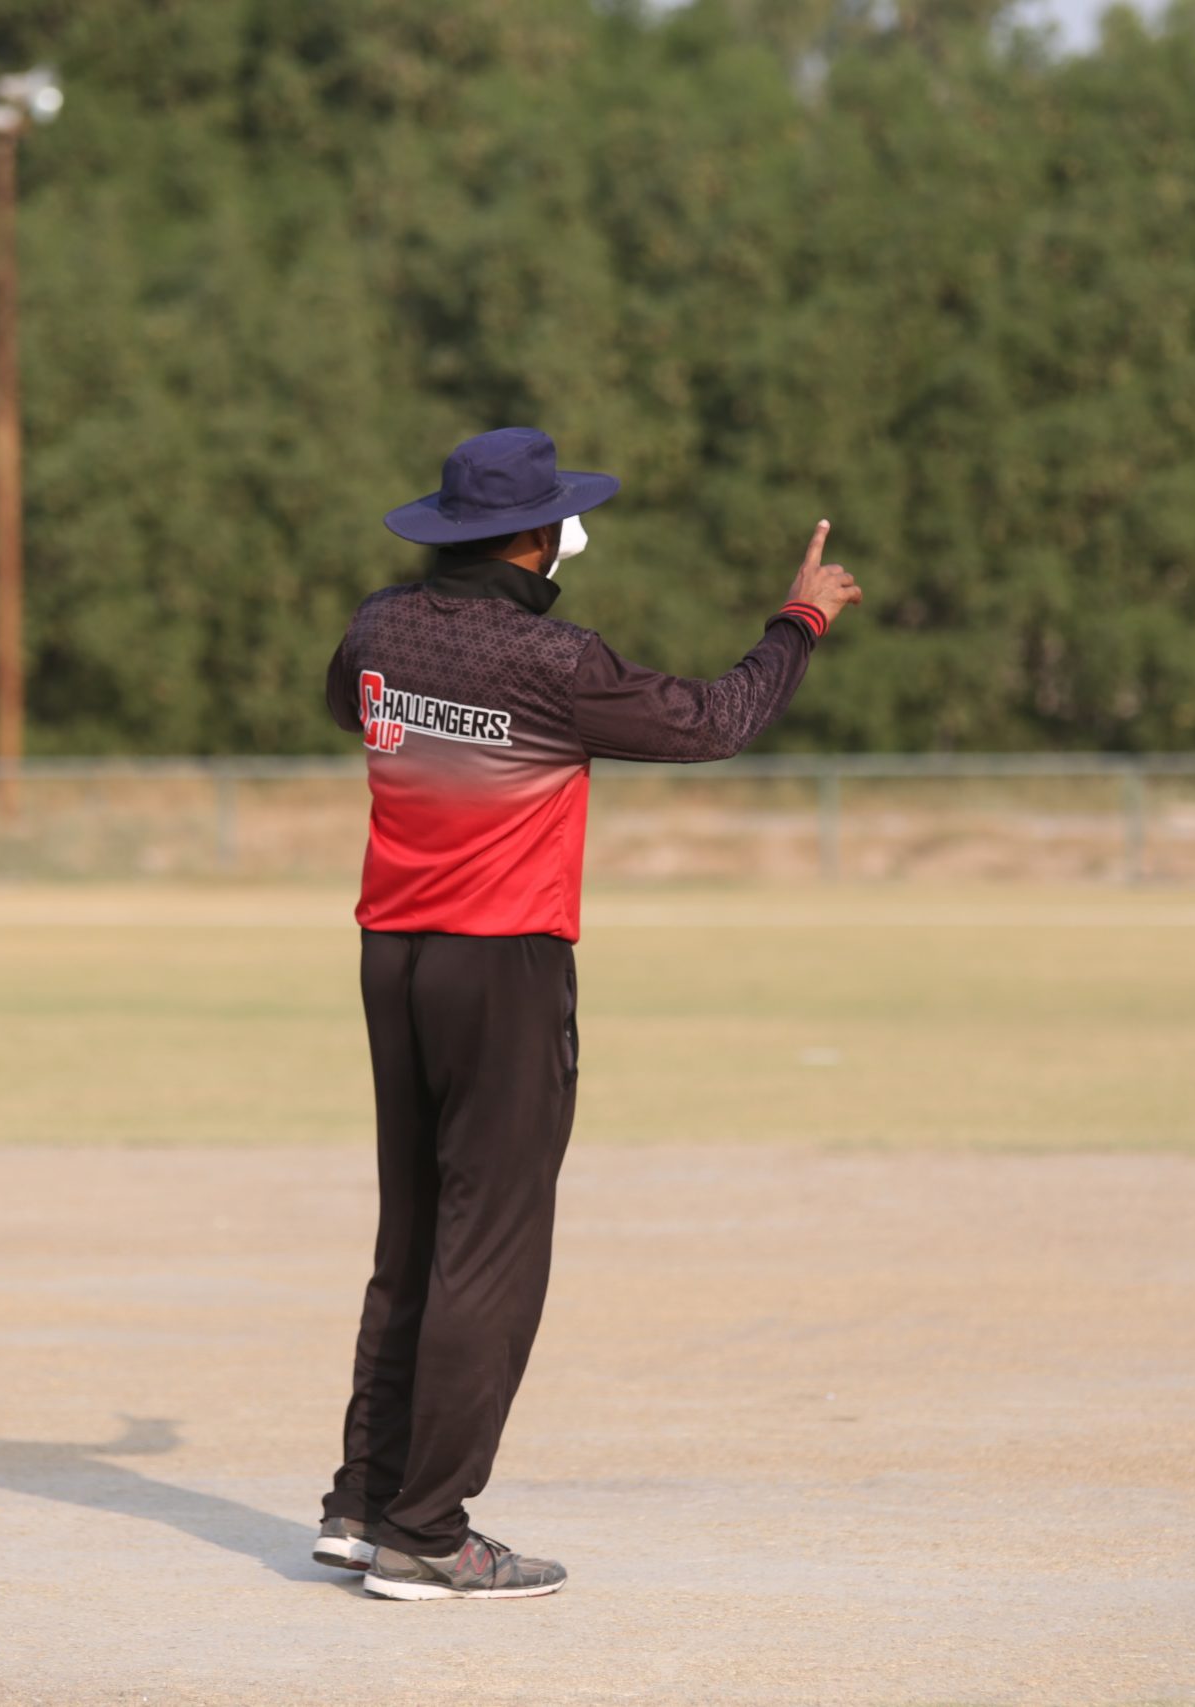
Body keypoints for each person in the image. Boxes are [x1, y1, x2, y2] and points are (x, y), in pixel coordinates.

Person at [313, 426, 862, 1601]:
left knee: (413, 1234)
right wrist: (798, 620)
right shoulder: (552, 659)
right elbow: (715, 721)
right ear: (533, 536)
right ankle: (427, 1532)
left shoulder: (378, 623)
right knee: (489, 1250)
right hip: (500, 964)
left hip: (390, 956)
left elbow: (350, 708)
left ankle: (364, 1504)